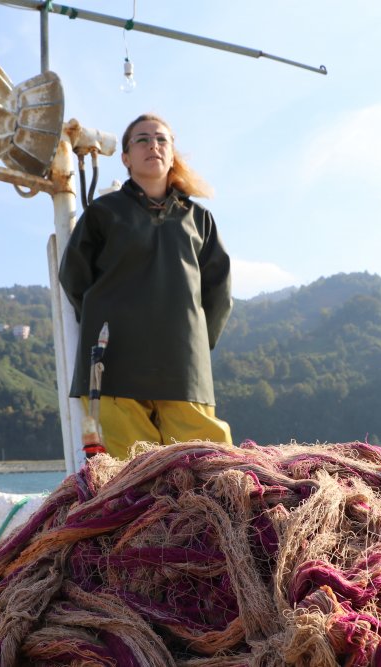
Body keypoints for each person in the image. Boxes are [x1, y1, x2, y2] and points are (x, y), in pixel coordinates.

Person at [59, 113, 233, 460]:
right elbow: (74, 277)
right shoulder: (102, 213)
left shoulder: (199, 219)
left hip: (183, 371)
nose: (152, 145)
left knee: (211, 469)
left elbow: (218, 293)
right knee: (130, 479)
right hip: (112, 370)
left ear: (172, 154)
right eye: (141, 139)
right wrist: (107, 320)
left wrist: (193, 341)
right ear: (125, 157)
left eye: (161, 139)